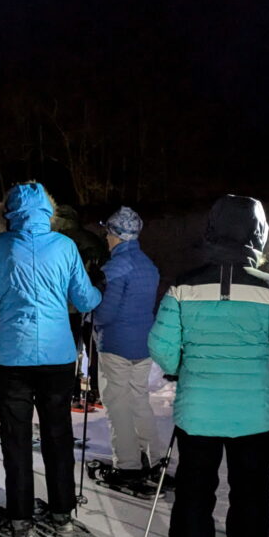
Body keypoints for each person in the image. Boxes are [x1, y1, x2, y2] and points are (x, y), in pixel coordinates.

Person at [147, 194, 269, 537]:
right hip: (253, 412)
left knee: (195, 492)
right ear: (258, 233)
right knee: (251, 493)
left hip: (199, 409)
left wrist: (183, 366)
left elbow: (161, 345)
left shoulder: (184, 285)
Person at [0, 181, 101, 537]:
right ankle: (62, 512)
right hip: (57, 356)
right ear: (48, 211)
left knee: (16, 438)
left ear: (9, 213)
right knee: (58, 435)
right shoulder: (65, 246)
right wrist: (98, 286)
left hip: (14, 358)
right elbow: (86, 300)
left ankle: (20, 517)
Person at [92, 206, 162, 485]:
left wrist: (92, 314)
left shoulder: (115, 268)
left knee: (118, 405)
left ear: (118, 235)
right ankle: (155, 459)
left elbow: (105, 314)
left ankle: (128, 465)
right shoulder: (148, 265)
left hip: (116, 346)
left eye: (108, 233)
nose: (106, 238)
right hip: (142, 346)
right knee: (140, 401)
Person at [54, 203, 108, 409]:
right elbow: (104, 267)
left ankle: (73, 393)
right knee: (92, 346)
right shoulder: (91, 239)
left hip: (65, 306)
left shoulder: (56, 241)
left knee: (70, 350)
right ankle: (96, 390)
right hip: (92, 301)